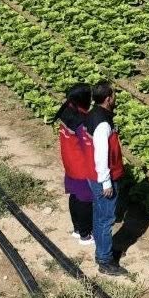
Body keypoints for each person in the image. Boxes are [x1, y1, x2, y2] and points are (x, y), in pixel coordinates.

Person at [85, 82, 128, 276]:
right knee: (106, 219)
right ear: (108, 98)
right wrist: (106, 182)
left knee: (99, 214)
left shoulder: (94, 113)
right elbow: (101, 154)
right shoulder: (102, 123)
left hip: (94, 175)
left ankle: (102, 251)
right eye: (114, 95)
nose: (116, 98)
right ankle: (104, 260)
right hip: (102, 177)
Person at [53, 84, 96, 247]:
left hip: (70, 162)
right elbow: (88, 143)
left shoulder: (67, 111)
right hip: (81, 165)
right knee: (85, 200)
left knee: (75, 195)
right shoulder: (80, 120)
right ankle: (85, 235)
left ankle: (77, 229)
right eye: (89, 97)